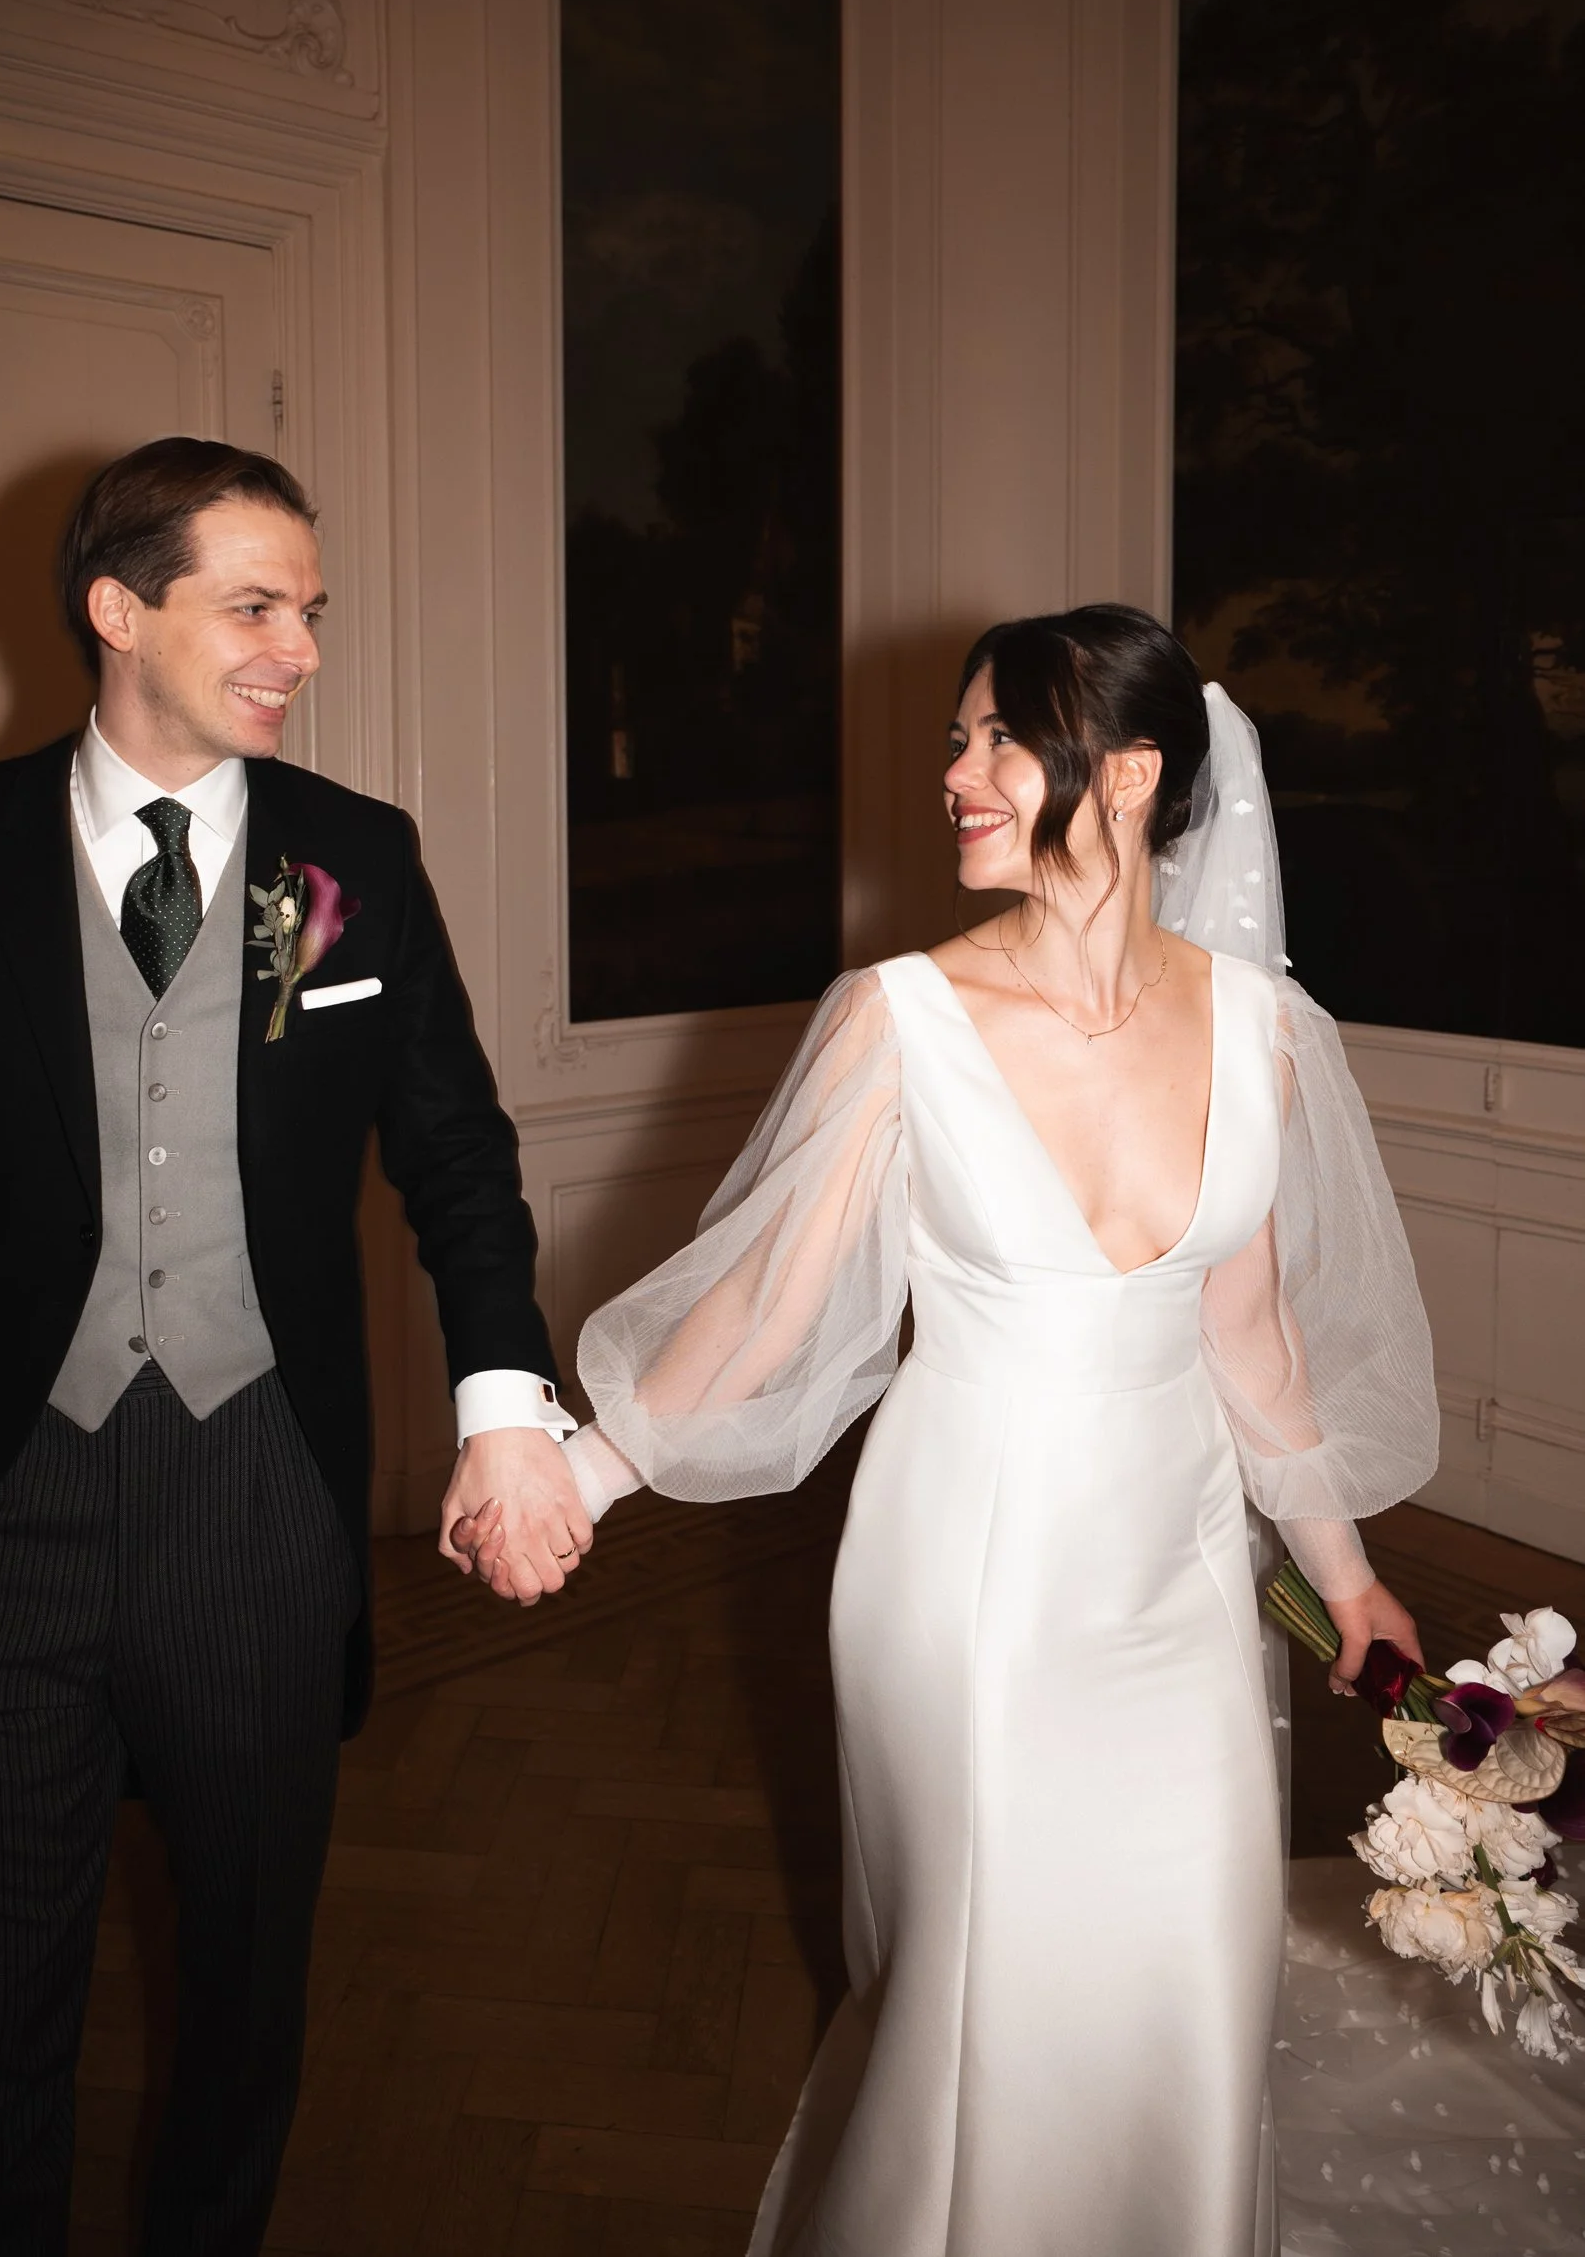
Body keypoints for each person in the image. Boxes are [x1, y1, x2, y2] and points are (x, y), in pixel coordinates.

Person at [461, 605, 1441, 2257]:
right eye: (955, 737)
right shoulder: (896, 1015)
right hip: (967, 1571)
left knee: (1191, 1953)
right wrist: (572, 1473)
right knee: (991, 1978)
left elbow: (1250, 1333)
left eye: (997, 739)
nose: (955, 777)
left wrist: (1342, 1579)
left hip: (1183, 1572)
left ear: (1126, 776)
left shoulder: (1261, 1027)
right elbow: (765, 1309)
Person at [0, 438, 592, 2254]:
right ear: (118, 609)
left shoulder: (352, 858)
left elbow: (456, 1157)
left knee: (237, 1997)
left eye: (311, 611)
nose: (298, 645)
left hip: (255, 1496)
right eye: (255, 605)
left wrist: (507, 1411)